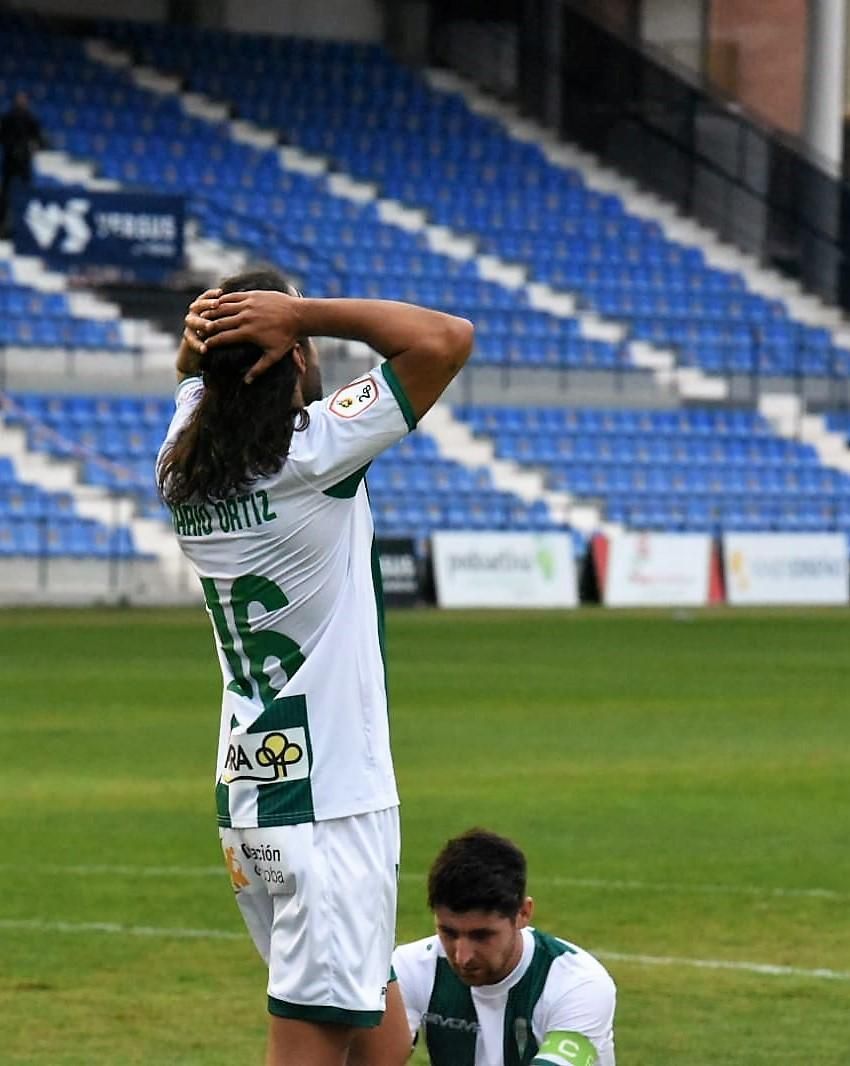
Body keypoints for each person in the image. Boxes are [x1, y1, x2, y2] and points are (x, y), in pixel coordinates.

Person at [155, 268, 474, 1066]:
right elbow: (446, 338)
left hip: (254, 794)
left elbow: (193, 381)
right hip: (328, 804)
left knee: (383, 1047)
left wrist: (219, 342)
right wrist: (301, 312)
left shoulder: (180, 469)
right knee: (315, 1046)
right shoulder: (312, 454)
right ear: (289, 357)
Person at [357, 828, 617, 1066]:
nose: (462, 956)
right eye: (448, 932)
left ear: (523, 914)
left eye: (481, 935)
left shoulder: (579, 984)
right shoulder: (410, 968)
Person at [0, 91, 45, 235]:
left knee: (26, 194)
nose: (22, 101)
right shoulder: (7, 118)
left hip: (24, 162)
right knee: (5, 196)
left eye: (24, 99)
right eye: (19, 99)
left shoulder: (31, 119)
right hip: (9, 162)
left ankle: (26, 229)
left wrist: (34, 147)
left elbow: (38, 140)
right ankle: (3, 227)